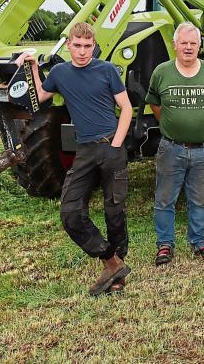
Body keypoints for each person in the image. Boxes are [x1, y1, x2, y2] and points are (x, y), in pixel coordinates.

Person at [15, 22, 133, 296]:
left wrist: (116, 144)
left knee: (114, 210)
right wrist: (32, 67)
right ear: (68, 45)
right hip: (84, 151)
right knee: (70, 212)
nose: (82, 51)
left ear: (94, 46)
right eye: (77, 46)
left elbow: (126, 108)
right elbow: (39, 97)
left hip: (110, 146)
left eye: (87, 46)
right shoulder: (60, 73)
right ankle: (110, 260)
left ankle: (117, 275)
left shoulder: (107, 70)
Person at [145, 22, 204, 265]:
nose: (188, 47)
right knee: (165, 199)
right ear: (175, 45)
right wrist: (174, 125)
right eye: (184, 43)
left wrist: (196, 124)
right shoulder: (162, 72)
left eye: (193, 43)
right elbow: (155, 104)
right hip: (171, 148)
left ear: (199, 46)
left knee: (199, 199)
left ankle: (199, 241)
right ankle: (165, 245)